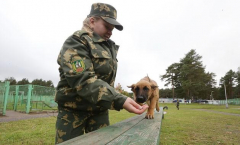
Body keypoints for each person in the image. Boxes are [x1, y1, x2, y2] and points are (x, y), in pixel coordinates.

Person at [55, 3, 148, 144]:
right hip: (73, 111)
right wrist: (120, 100)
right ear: (92, 21)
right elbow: (83, 79)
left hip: (99, 111)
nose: (111, 32)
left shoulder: (108, 46)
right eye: (107, 27)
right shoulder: (76, 42)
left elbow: (106, 80)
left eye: (113, 29)